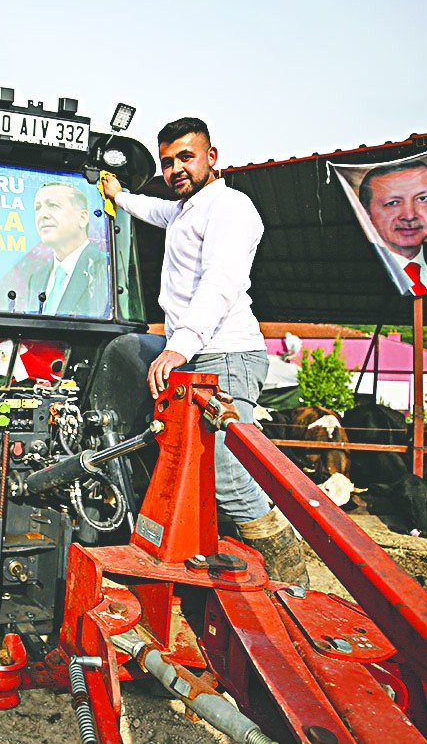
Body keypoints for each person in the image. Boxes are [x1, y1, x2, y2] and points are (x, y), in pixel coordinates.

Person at [101, 117, 308, 587]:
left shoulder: (230, 207)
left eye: (186, 158)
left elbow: (220, 282)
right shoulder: (183, 210)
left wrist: (178, 348)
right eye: (168, 161)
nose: (176, 169)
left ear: (211, 158)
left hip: (226, 354)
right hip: (202, 354)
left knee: (227, 471)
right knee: (199, 470)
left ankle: (289, 578)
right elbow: (151, 210)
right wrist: (118, 197)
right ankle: (232, 575)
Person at [358, 161, 427, 295]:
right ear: (366, 211)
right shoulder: (353, 273)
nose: (409, 216)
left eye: (422, 199)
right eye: (393, 203)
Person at [18, 182, 110, 316]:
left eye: (53, 205)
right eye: (38, 208)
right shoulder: (37, 278)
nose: (42, 215)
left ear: (83, 218)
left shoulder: (106, 269)